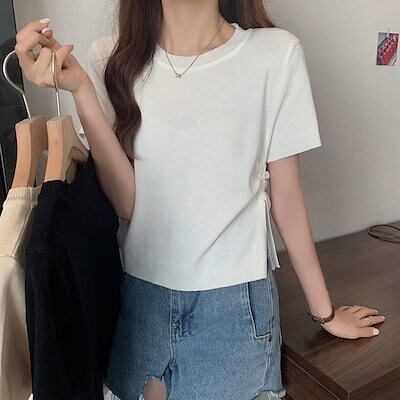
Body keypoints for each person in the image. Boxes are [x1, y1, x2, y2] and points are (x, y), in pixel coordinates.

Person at [15, 1, 385, 399]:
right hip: (143, 305)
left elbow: (287, 198)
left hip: (234, 309)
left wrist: (324, 313)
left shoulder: (276, 54)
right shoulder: (113, 58)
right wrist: (82, 91)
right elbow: (129, 204)